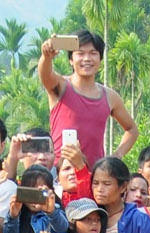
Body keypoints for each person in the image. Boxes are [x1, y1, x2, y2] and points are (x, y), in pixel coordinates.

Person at [39, 29, 137, 170]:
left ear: (100, 59)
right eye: (80, 53)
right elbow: (45, 75)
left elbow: (132, 129)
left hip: (94, 177)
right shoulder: (61, 86)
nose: (87, 59)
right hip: (62, 173)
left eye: (93, 53)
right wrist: (46, 56)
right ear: (71, 60)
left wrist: (118, 154)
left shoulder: (110, 97)